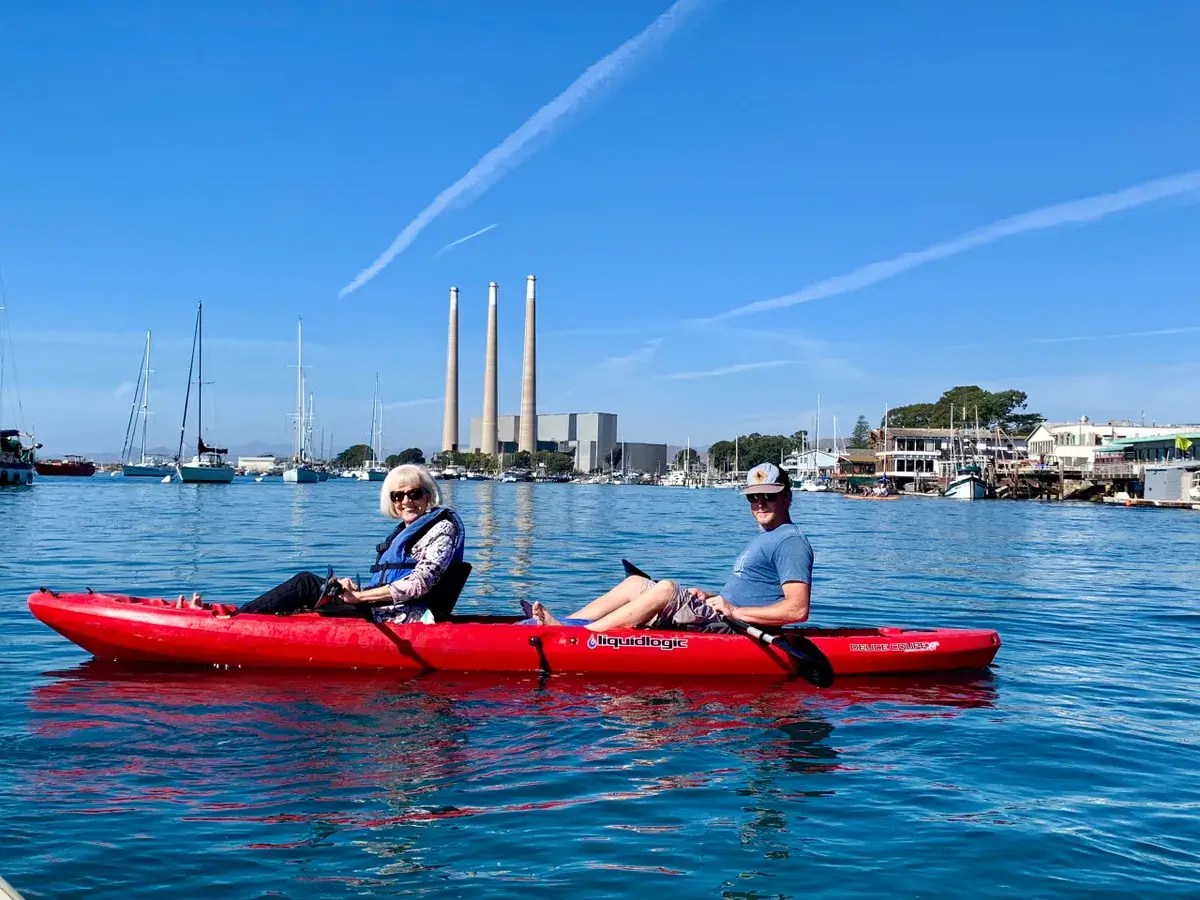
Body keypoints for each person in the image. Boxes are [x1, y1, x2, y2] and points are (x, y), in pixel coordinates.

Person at [532, 462, 811, 633]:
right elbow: (753, 592)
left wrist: (734, 611)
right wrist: (711, 595)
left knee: (666, 588)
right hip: (721, 615)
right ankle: (569, 623)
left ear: (787, 497)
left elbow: (796, 610)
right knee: (636, 584)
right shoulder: (768, 537)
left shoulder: (790, 542)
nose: (760, 503)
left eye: (768, 496)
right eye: (753, 497)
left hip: (736, 627)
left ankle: (579, 639)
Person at [238, 463, 465, 622]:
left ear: (428, 495)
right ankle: (244, 615)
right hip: (385, 609)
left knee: (305, 584)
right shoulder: (409, 531)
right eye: (398, 496)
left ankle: (235, 621)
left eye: (414, 494)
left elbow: (420, 584)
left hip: (407, 616)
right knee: (320, 588)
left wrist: (360, 597)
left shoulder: (442, 529)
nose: (406, 501)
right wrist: (355, 591)